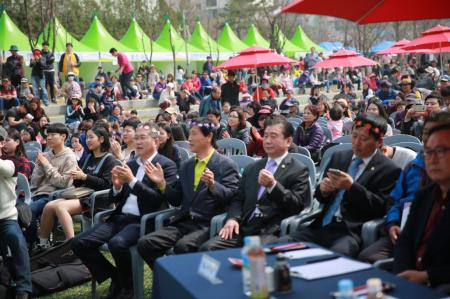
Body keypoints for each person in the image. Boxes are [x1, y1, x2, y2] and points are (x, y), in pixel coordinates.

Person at [71, 122, 177, 299]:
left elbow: (156, 200)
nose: (138, 142)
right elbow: (114, 199)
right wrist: (117, 187)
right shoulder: (132, 164)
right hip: (119, 218)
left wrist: (133, 181)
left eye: (143, 138)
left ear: (156, 141)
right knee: (78, 243)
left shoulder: (166, 165)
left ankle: (128, 287)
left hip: (143, 220)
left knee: (117, 244)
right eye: (136, 138)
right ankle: (116, 277)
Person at [280, 113, 401, 257]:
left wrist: (352, 187)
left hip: (350, 231)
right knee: (280, 246)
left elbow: (379, 208)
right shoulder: (340, 157)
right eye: (354, 136)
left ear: (379, 142)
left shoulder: (388, 169)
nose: (356, 143)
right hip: (322, 225)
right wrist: (324, 190)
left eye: (364, 139)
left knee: (335, 259)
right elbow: (320, 197)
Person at [137, 118, 240, 268]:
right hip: (185, 221)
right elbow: (177, 199)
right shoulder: (187, 165)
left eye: (194, 134)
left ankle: (186, 284)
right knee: (145, 243)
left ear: (209, 136)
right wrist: (162, 183)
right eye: (189, 134)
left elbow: (233, 197)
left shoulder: (226, 165)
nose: (189, 138)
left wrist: (213, 185)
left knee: (183, 246)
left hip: (208, 223)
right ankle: (170, 278)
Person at [200, 115, 310, 250]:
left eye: (274, 136)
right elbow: (238, 198)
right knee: (208, 249)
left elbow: (296, 206)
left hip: (270, 231)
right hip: (244, 227)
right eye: (266, 136)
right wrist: (232, 218)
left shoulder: (298, 169)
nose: (268, 140)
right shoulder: (253, 167)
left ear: (288, 141)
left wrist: (273, 186)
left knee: (251, 256)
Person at [359, 112, 450, 263]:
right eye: (428, 134)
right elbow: (394, 200)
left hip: (435, 241)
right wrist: (392, 224)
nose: (432, 140)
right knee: (368, 257)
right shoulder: (413, 167)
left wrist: (427, 277)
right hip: (405, 231)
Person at [38, 125, 119, 244]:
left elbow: (106, 185)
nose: (87, 141)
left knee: (61, 207)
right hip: (84, 196)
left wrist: (85, 176)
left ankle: (72, 244)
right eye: (86, 138)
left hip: (98, 200)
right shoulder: (89, 158)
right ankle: (43, 243)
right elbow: (79, 183)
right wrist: (76, 176)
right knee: (49, 206)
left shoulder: (110, 160)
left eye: (91, 137)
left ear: (101, 139)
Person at [394, 123, 450, 292]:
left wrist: (427, 277)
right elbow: (405, 240)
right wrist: (403, 276)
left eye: (440, 151)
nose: (431, 160)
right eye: (428, 152)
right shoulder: (424, 196)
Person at [26, 123, 77, 247]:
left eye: (53, 135)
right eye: (47, 135)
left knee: (28, 212)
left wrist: (47, 165)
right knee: (17, 209)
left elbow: (63, 183)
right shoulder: (46, 154)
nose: (48, 138)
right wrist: (39, 166)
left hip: (53, 196)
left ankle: (33, 243)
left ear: (63, 137)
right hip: (37, 193)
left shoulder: (69, 157)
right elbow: (34, 182)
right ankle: (28, 242)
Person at [0, 140, 32, 299]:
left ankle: (24, 288)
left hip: (7, 217)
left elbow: (4, 168)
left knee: (17, 240)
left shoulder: (10, 163)